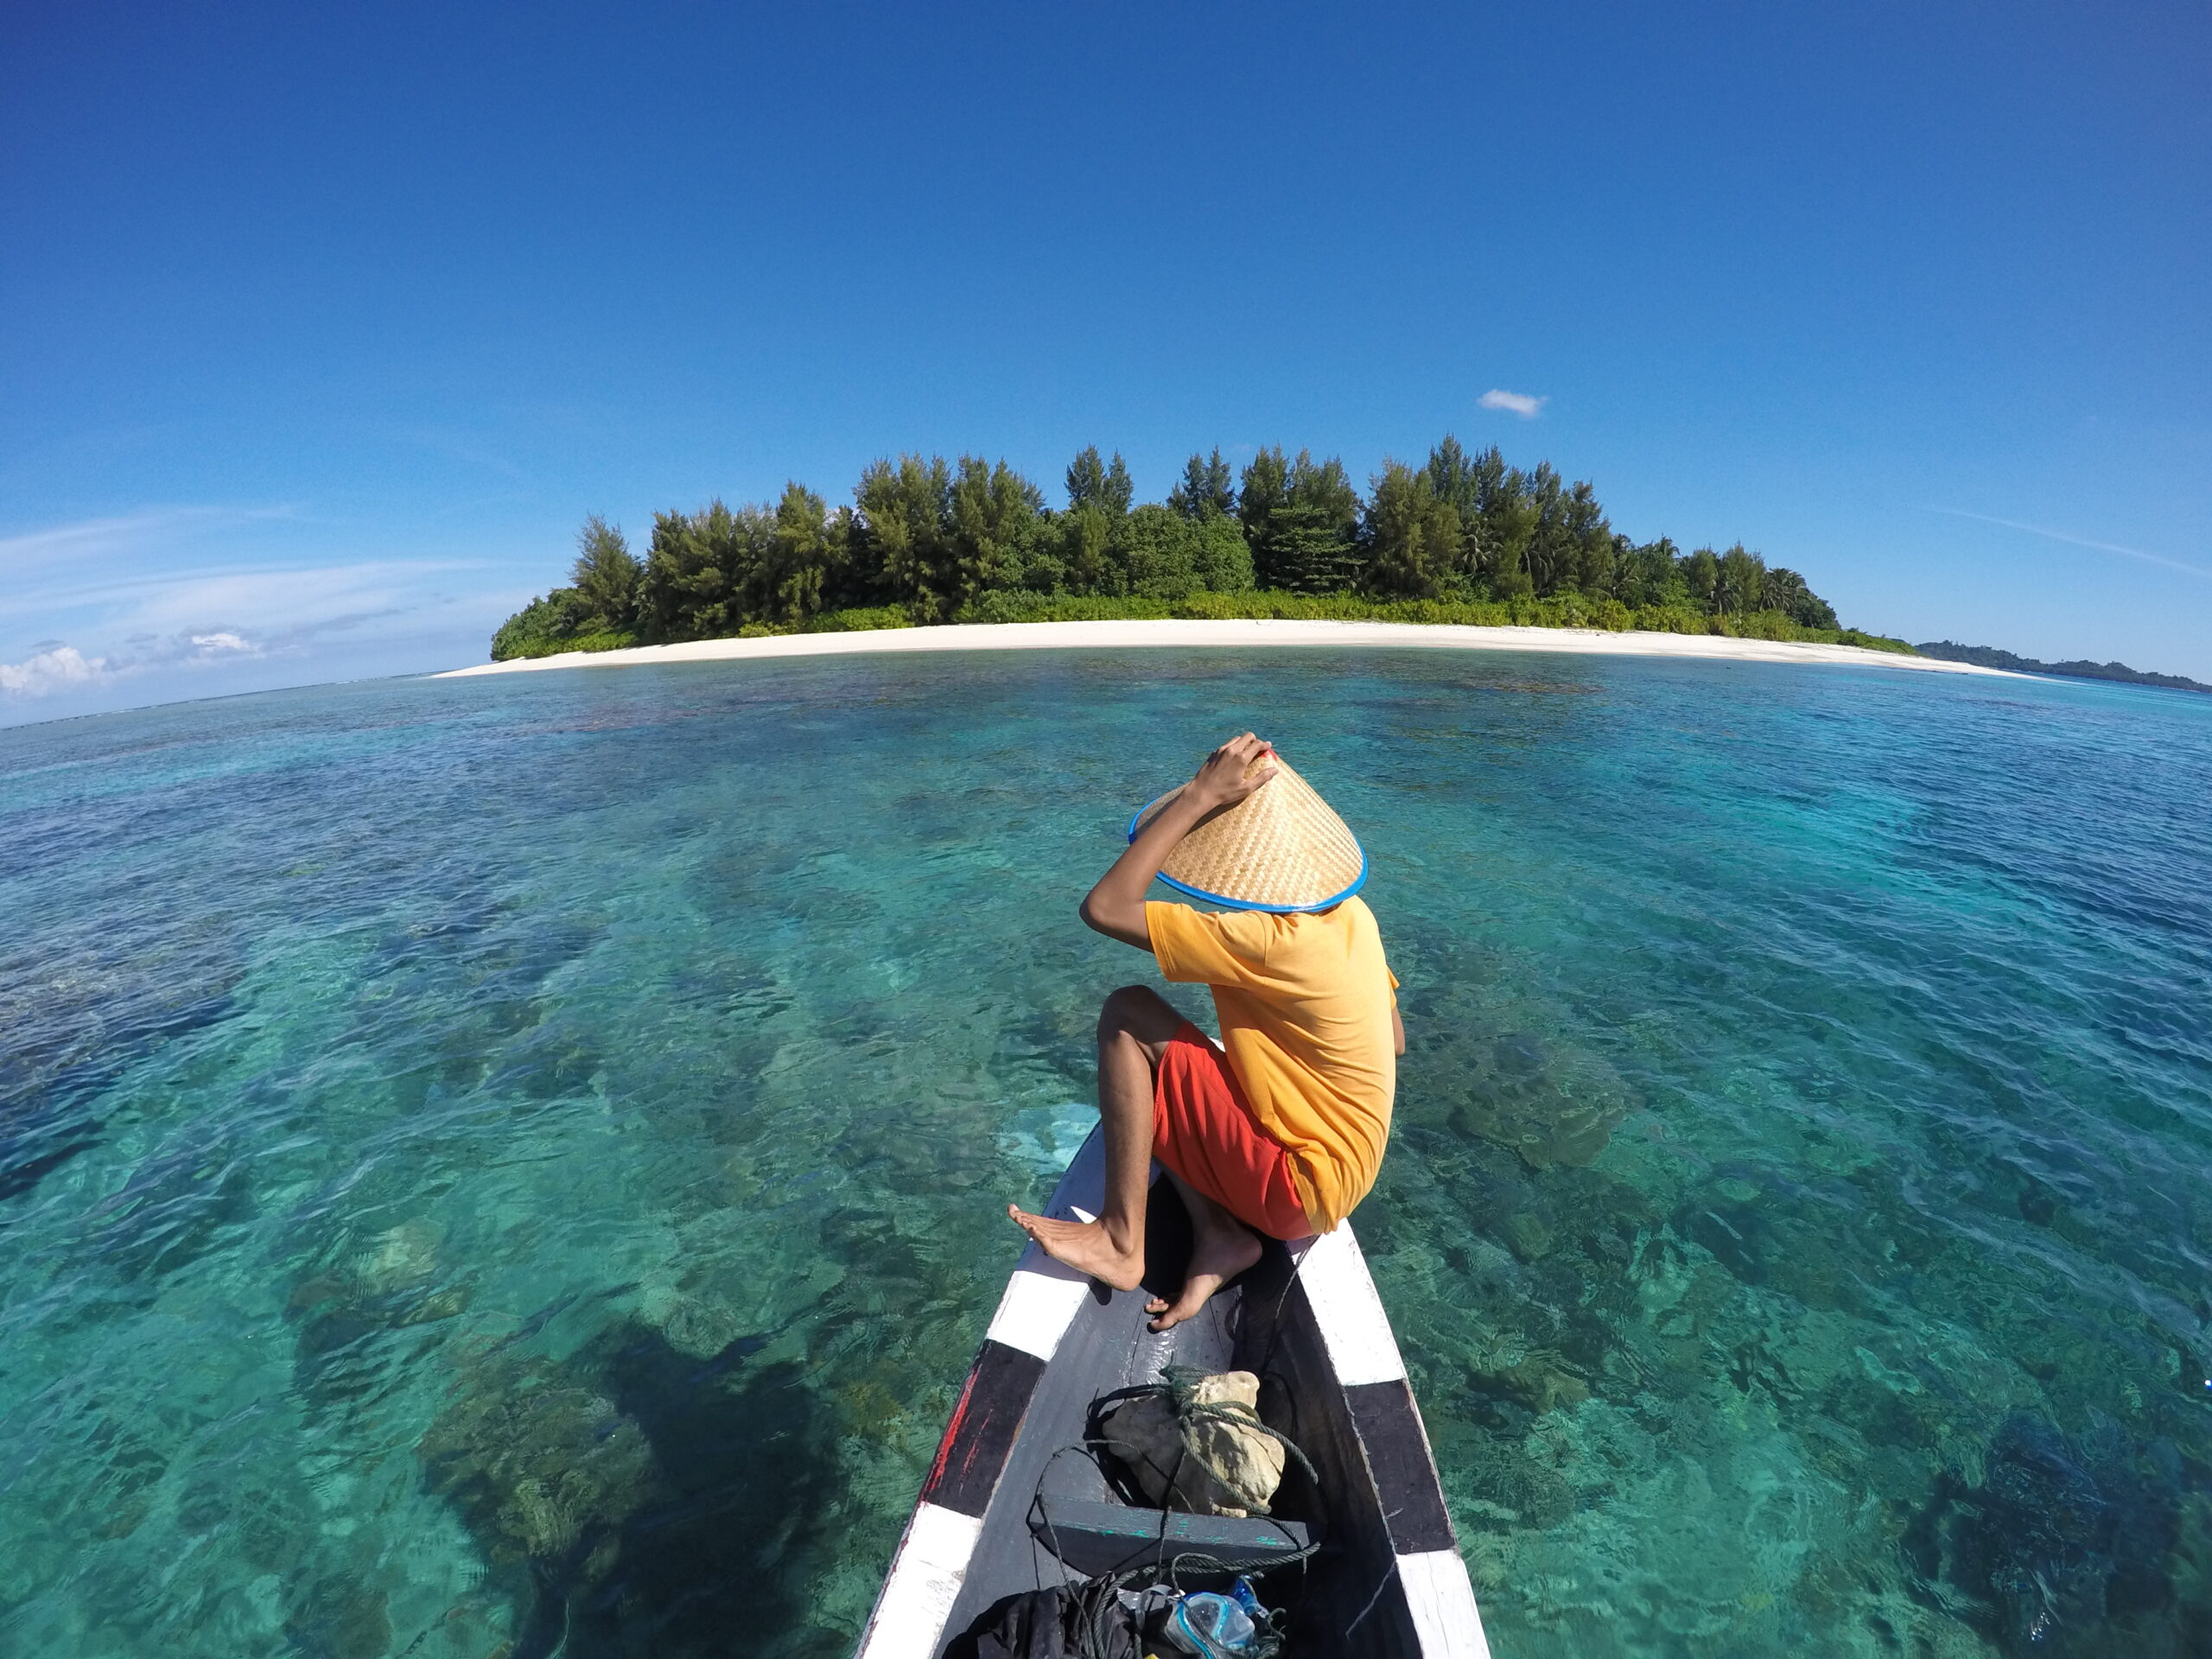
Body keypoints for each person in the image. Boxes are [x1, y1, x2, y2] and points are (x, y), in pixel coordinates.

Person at [1009, 733, 1403, 1332]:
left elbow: (1107, 907)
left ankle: (1120, 1242)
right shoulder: (1354, 918)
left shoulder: (1268, 941)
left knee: (1129, 1014)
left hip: (1294, 1190)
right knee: (1161, 1088)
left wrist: (1196, 799)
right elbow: (1392, 1037)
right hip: (1347, 1173)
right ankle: (1219, 1235)